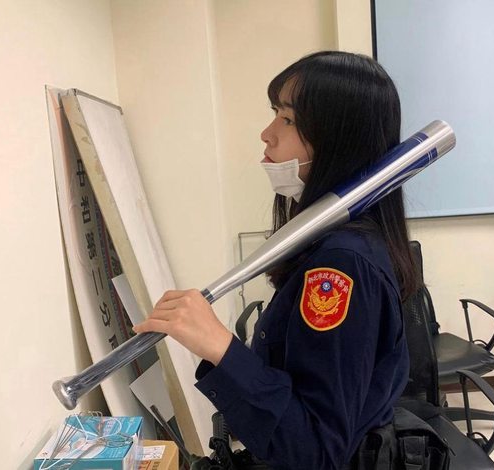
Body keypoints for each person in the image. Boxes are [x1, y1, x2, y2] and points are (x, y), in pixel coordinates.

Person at [133, 51, 418, 470]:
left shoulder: (341, 266)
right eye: (275, 114)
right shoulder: (326, 242)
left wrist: (220, 346)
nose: (267, 134)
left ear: (337, 139)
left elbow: (317, 453)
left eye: (287, 119)